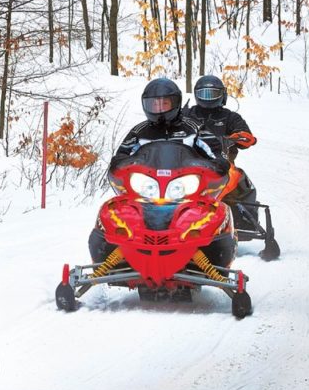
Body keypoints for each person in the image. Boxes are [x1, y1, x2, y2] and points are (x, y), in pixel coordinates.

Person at [88, 77, 226, 262]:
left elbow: (216, 153)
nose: (159, 108)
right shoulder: (139, 131)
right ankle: (114, 258)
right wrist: (119, 165)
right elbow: (122, 155)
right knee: (113, 211)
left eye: (164, 103)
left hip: (185, 192)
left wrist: (217, 164)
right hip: (147, 191)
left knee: (213, 213)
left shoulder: (193, 128)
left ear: (175, 103)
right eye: (154, 104)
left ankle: (210, 257)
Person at [186, 74, 260, 223]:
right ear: (196, 94)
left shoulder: (231, 117)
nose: (207, 98)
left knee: (238, 179)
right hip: (187, 163)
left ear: (222, 95)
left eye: (212, 94)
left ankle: (242, 218)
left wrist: (232, 139)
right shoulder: (186, 114)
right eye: (203, 94)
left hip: (222, 164)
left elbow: (247, 137)